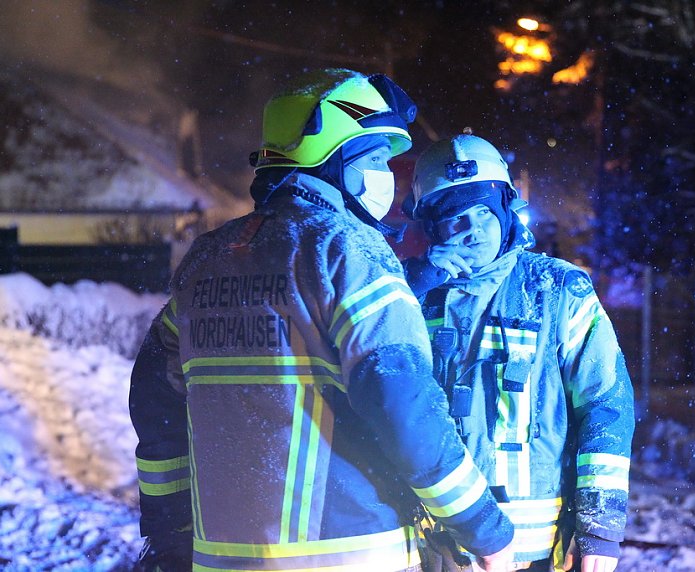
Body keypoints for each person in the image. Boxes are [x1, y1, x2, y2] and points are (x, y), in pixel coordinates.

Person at [128, 70, 515, 572]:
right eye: (376, 159)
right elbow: (402, 401)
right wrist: (483, 525)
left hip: (221, 557)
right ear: (336, 158)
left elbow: (154, 399)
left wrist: (171, 527)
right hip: (349, 555)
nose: (386, 178)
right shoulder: (348, 250)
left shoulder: (208, 258)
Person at [400, 134, 635, 572]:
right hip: (431, 548)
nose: (473, 229)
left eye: (484, 214)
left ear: (507, 212)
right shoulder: (404, 296)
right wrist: (413, 285)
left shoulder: (558, 289)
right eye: (455, 217)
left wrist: (599, 529)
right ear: (431, 225)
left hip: (534, 553)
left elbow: (605, 405)